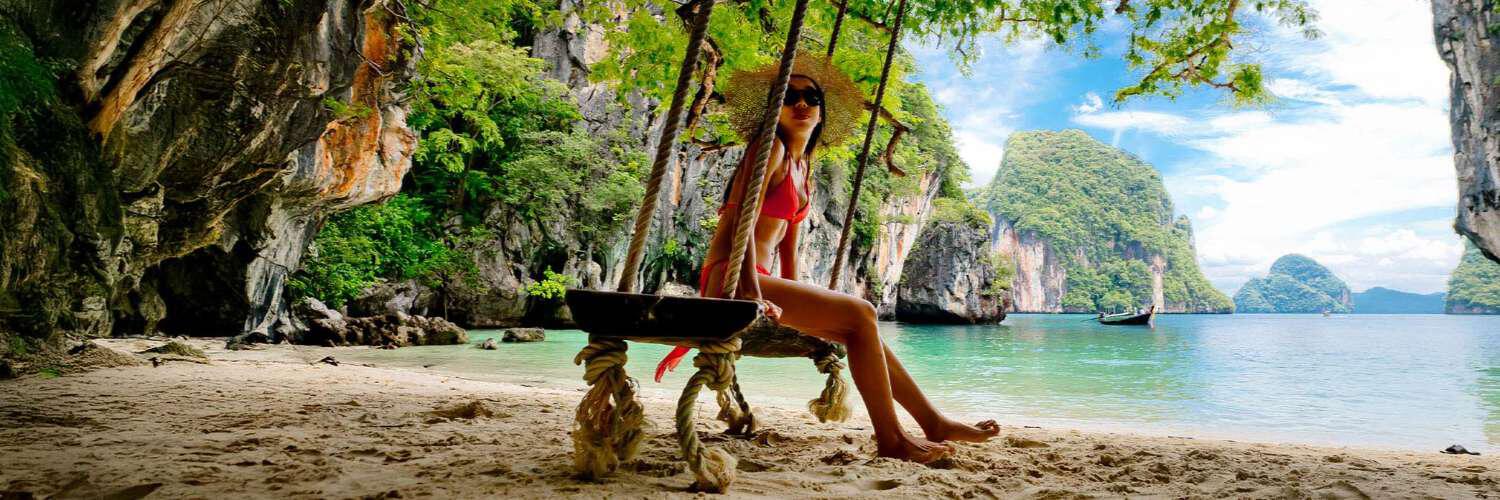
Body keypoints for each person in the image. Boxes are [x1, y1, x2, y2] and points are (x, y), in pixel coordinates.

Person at [654, 54, 998, 463]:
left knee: (860, 327)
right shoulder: (771, 151)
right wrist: (750, 291)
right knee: (862, 312)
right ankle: (892, 438)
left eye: (811, 97)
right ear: (775, 108)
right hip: (729, 279)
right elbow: (738, 225)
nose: (801, 103)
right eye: (790, 96)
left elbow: (788, 246)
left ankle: (932, 422)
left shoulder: (803, 166)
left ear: (821, 112)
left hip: (762, 279)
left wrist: (801, 300)